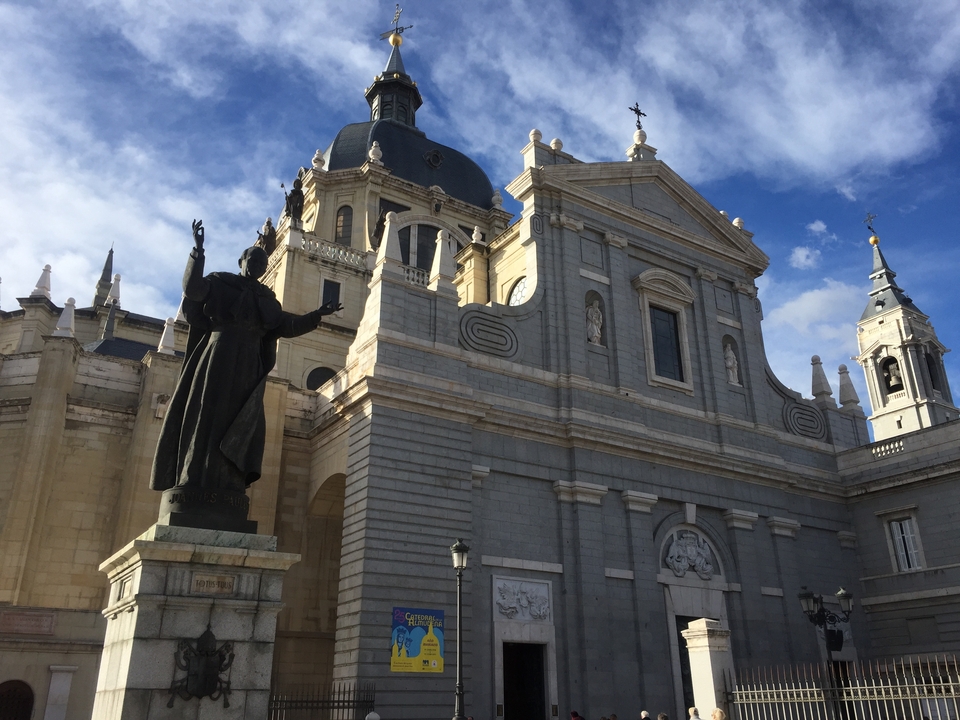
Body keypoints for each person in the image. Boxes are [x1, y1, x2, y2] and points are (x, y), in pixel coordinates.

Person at [151, 220, 342, 495]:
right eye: (253, 259)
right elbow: (193, 290)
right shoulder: (221, 283)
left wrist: (317, 315)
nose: (257, 266)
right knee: (208, 412)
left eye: (262, 263)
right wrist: (198, 252)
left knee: (242, 420)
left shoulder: (268, 300)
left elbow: (286, 325)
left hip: (249, 364)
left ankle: (230, 481)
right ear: (242, 261)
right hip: (219, 354)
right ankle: (194, 475)